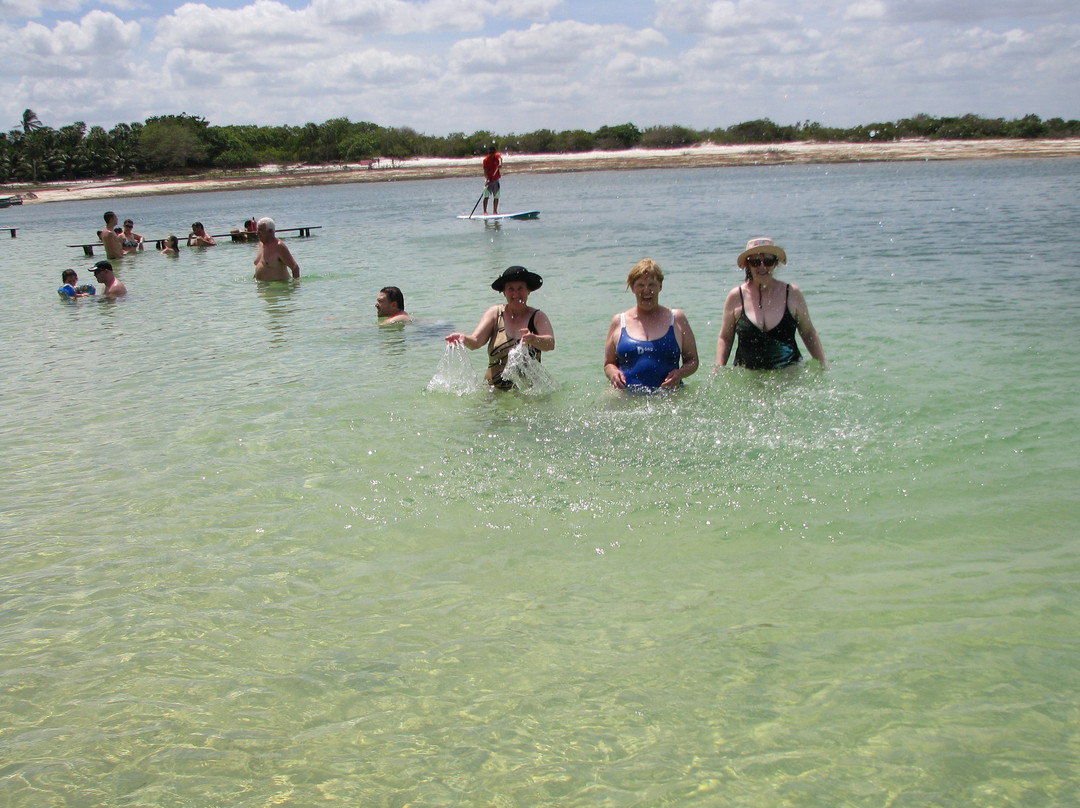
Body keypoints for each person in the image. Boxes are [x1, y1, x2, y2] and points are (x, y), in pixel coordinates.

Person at [715, 237, 827, 370]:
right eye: (756, 262)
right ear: (747, 265)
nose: (762, 267)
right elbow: (725, 338)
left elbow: (808, 333)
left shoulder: (792, 293)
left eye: (768, 261)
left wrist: (823, 363)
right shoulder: (736, 296)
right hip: (748, 376)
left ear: (775, 264)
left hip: (789, 373)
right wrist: (718, 369)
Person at [446, 265, 555, 390]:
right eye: (510, 289)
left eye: (520, 288)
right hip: (493, 390)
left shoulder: (537, 316)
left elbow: (550, 344)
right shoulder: (495, 314)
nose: (516, 293)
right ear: (503, 292)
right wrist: (463, 338)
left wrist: (534, 339)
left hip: (527, 393)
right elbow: (476, 342)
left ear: (528, 290)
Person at [604, 258, 699, 391]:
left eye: (652, 284)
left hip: (669, 397)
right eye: (641, 285)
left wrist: (680, 373)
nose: (647, 290)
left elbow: (693, 360)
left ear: (660, 286)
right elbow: (609, 363)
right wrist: (613, 373)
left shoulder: (676, 318)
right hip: (626, 396)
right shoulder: (619, 321)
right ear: (632, 287)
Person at [253, 217, 300, 281]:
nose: (257, 233)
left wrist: (295, 286)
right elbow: (260, 266)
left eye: (260, 230)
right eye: (257, 230)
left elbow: (295, 268)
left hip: (278, 288)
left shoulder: (279, 246)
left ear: (270, 231)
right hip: (262, 288)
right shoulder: (261, 244)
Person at [482, 144, 502, 215]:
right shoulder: (486, 160)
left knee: (496, 196)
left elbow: (500, 159)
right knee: (486, 196)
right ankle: (485, 211)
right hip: (489, 180)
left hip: (496, 179)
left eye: (493, 153)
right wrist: (487, 179)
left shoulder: (497, 156)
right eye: (490, 153)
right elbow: (485, 170)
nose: (491, 154)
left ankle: (495, 211)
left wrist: (500, 164)